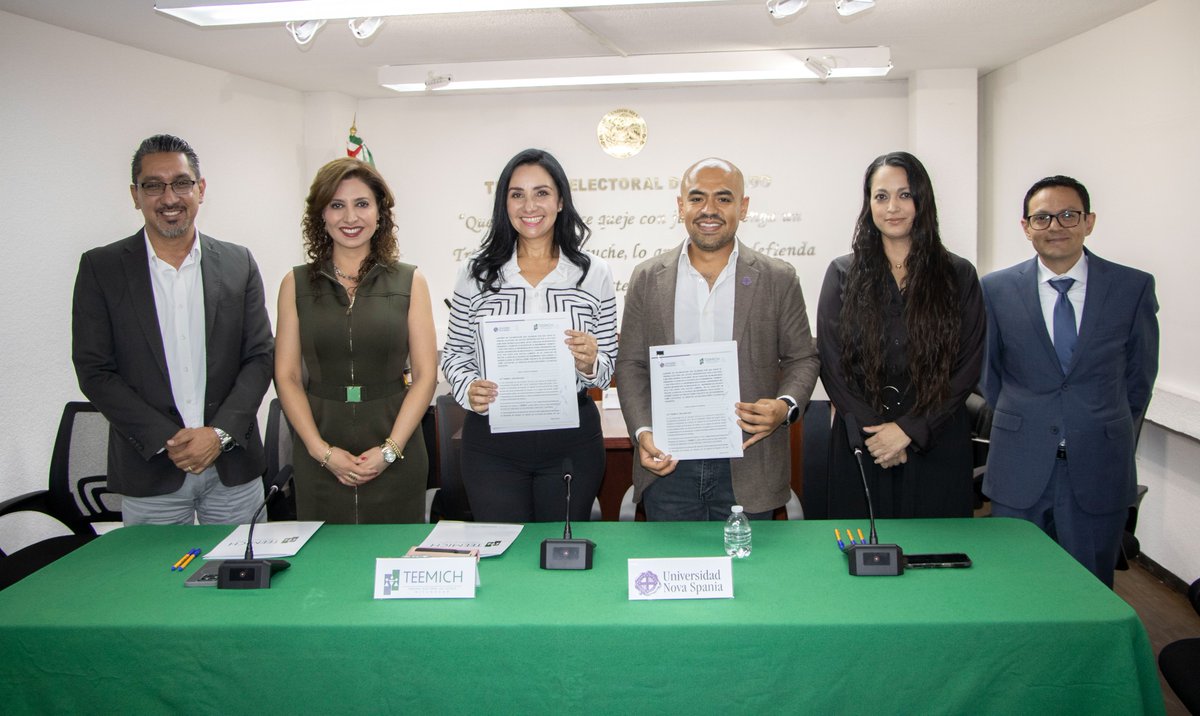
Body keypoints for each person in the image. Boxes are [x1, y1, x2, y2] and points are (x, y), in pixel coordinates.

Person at [72, 134, 273, 525]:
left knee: (243, 580)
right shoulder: (102, 269)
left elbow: (260, 355)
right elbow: (94, 369)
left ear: (200, 189)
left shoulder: (238, 263)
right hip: (151, 469)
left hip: (232, 466)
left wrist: (218, 434)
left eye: (181, 183)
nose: (169, 198)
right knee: (152, 583)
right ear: (135, 194)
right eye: (153, 185)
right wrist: (171, 441)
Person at [616, 157, 819, 521]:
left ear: (743, 207)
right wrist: (643, 431)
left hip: (749, 463)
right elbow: (631, 363)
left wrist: (785, 406)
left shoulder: (778, 278)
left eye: (723, 199)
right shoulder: (647, 278)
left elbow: (802, 358)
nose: (709, 209)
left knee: (752, 575)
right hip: (669, 463)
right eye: (696, 198)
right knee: (673, 574)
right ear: (681, 206)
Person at [981, 175, 1158, 587]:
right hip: (1019, 465)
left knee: (1089, 590)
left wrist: (1098, 424)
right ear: (1025, 227)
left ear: (1089, 221)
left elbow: (1139, 380)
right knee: (1017, 586)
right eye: (1041, 218)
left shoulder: (1131, 288)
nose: (1055, 226)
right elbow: (988, 376)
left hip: (1099, 465)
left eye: (1067, 215)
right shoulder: (996, 289)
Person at [441, 148, 616, 523]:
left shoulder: (593, 273)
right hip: (492, 444)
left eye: (541, 192)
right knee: (504, 555)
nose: (529, 205)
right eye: (516, 194)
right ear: (503, 203)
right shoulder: (475, 273)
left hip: (571, 440)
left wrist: (589, 362)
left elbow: (606, 367)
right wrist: (468, 389)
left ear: (560, 201)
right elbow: (454, 353)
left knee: (560, 554)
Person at [817, 151, 985, 520]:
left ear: (922, 200)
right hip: (862, 442)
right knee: (859, 560)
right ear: (869, 204)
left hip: (936, 440)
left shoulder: (958, 274)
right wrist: (879, 434)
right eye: (881, 196)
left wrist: (909, 430)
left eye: (905, 194)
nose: (892, 206)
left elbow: (967, 365)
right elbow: (831, 364)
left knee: (935, 561)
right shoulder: (842, 273)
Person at [275, 158, 437, 523]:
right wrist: (322, 452)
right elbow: (286, 377)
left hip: (395, 446)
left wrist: (391, 450)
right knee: (325, 568)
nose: (350, 217)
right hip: (320, 448)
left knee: (394, 560)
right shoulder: (295, 284)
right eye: (337, 205)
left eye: (362, 204)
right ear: (321, 215)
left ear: (380, 213)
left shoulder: (410, 281)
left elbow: (426, 376)